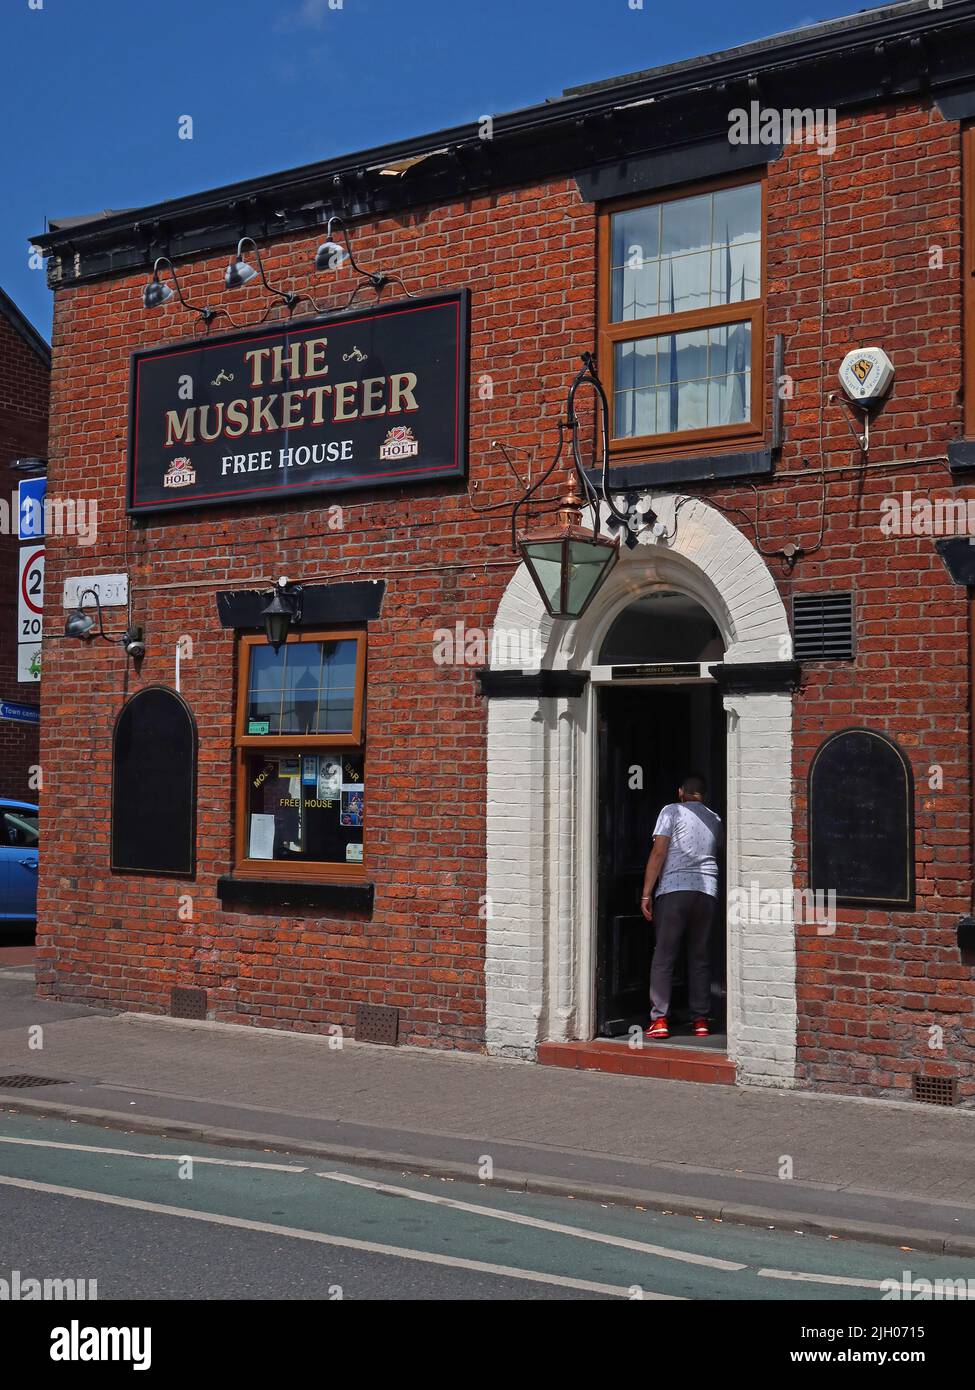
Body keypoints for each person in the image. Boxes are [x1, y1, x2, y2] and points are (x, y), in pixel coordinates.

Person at [639, 774, 723, 1040]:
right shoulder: (715, 818)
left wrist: (646, 893)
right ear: (704, 796)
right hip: (707, 891)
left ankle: (660, 1019)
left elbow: (659, 851)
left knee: (664, 956)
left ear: (680, 792)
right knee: (699, 957)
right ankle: (700, 1020)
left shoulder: (671, 810)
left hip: (674, 889)